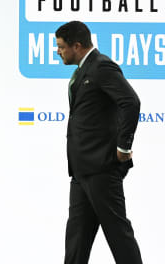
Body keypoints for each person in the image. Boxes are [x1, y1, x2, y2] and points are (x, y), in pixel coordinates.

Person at [55, 21, 142, 264]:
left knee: (119, 237)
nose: (58, 51)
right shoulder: (83, 70)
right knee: (76, 242)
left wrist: (123, 147)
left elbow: (131, 102)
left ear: (77, 45)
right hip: (81, 172)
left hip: (102, 169)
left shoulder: (102, 66)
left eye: (61, 47)